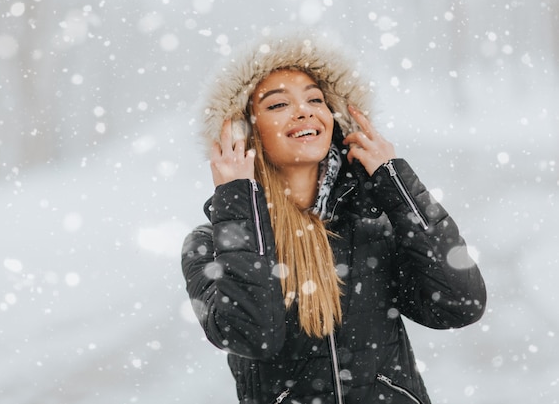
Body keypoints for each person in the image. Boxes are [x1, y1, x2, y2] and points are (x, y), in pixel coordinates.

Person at [181, 30, 486, 404]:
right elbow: (252, 335)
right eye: (278, 105)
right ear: (244, 133)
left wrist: (394, 180)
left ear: (334, 117)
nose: (305, 110)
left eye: (315, 99)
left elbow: (459, 304)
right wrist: (237, 198)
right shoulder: (211, 245)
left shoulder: (372, 224)